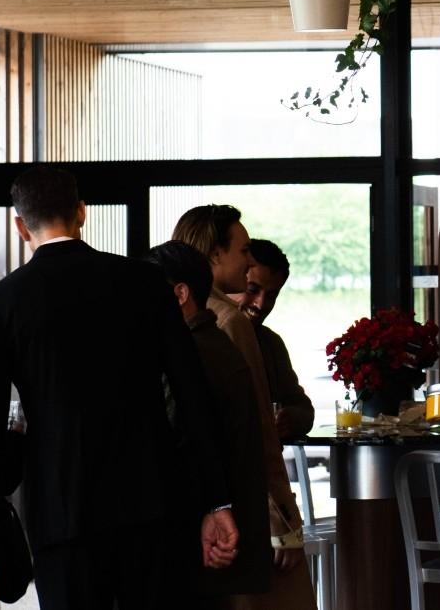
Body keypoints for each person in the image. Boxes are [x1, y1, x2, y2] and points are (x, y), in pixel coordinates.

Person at [0, 167, 238, 610]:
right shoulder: (146, 284)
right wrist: (216, 502)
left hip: (60, 514)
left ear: (19, 226)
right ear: (81, 213)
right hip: (152, 507)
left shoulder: (1, 304)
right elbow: (193, 397)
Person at [172, 206, 314, 610]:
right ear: (214, 254)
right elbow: (256, 432)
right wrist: (282, 518)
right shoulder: (228, 320)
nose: (249, 261)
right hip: (244, 504)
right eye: (243, 250)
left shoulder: (174, 315)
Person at [145, 241, 272, 606]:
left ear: (180, 293)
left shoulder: (191, 353)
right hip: (213, 533)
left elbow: (179, 442)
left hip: (197, 537)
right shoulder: (213, 343)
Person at [228, 239, 315, 442]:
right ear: (233, 280)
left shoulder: (271, 343)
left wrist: (292, 417)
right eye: (252, 290)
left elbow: (303, 408)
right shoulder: (209, 337)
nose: (260, 303)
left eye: (271, 295)